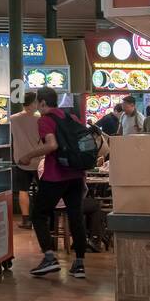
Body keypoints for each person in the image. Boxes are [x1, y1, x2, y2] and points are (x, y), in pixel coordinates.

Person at [21, 86, 87, 279]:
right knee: (76, 216)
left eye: (37, 104)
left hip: (56, 175)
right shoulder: (70, 117)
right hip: (76, 174)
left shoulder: (46, 120)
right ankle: (80, 264)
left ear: (42, 102)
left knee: (39, 214)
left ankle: (49, 257)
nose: (37, 108)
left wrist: (28, 155)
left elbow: (52, 145)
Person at [8, 92, 44, 229]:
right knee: (43, 190)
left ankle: (26, 220)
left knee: (23, 191)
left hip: (21, 161)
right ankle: (42, 217)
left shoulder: (13, 119)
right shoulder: (40, 118)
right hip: (40, 161)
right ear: (32, 103)